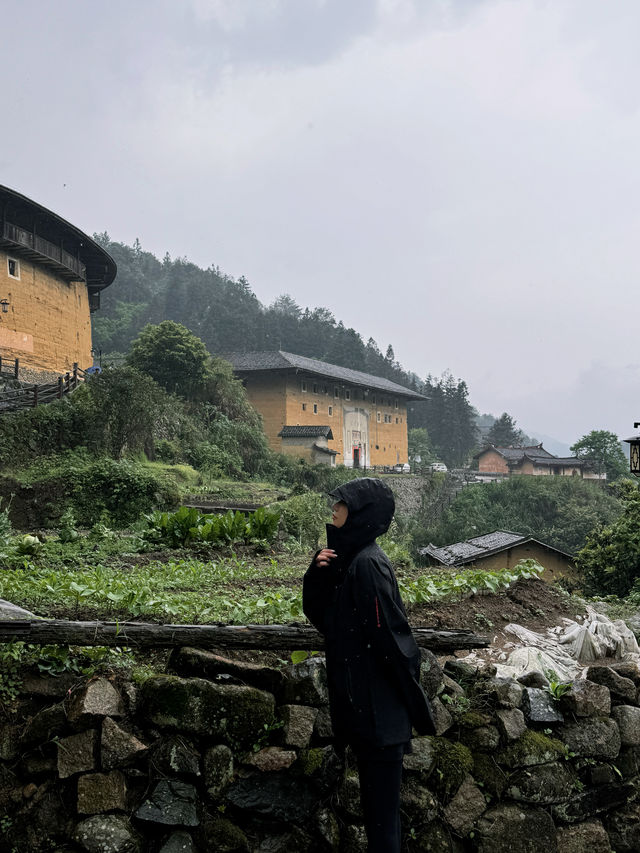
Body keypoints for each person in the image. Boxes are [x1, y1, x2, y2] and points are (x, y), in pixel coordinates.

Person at [303, 477, 435, 853]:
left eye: (340, 505)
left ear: (360, 513)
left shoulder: (368, 565)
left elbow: (393, 639)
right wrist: (317, 575)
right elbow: (328, 622)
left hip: (380, 718)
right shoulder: (351, 561)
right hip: (368, 716)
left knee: (383, 828)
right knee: (380, 820)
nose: (334, 510)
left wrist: (413, 702)